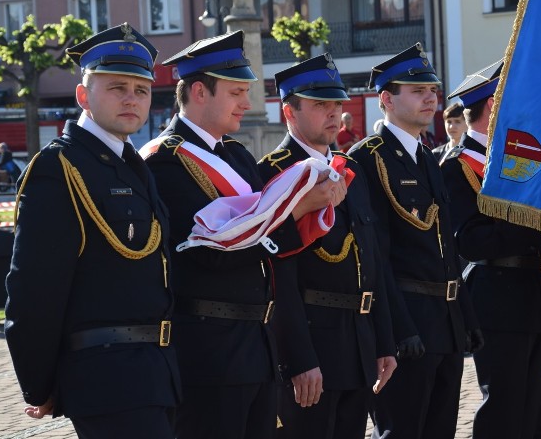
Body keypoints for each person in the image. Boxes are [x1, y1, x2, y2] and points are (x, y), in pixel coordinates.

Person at [142, 30, 346, 439]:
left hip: (256, 343)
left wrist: (309, 212)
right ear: (199, 91)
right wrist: (298, 210)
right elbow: (206, 252)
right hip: (208, 348)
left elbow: (271, 252)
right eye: (236, 92)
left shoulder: (235, 154)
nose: (247, 104)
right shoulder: (165, 161)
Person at [4, 23, 181, 438]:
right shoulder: (58, 167)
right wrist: (40, 383)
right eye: (117, 87)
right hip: (106, 378)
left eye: (140, 90)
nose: (131, 99)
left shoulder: (133, 165)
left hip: (157, 373)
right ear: (84, 95)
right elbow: (33, 288)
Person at [439, 61, 541, 439]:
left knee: (539, 407)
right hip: (498, 299)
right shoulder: (457, 167)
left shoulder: (520, 160)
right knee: (504, 408)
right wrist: (529, 224)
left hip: (539, 295)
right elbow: (469, 241)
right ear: (494, 105)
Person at [258, 53, 397, 439]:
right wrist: (299, 358)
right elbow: (278, 276)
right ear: (290, 111)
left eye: (337, 103)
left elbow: (373, 259)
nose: (334, 113)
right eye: (321, 104)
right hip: (313, 344)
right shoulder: (274, 172)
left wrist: (385, 341)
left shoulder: (347, 168)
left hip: (358, 342)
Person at [348, 43, 482, 439]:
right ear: (386, 99)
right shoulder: (368, 159)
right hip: (405, 324)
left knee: (439, 430)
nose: (431, 98)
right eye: (417, 90)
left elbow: (446, 247)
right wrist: (397, 330)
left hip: (444, 323)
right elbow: (376, 257)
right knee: (402, 431)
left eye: (433, 90)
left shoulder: (428, 157)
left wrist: (466, 316)